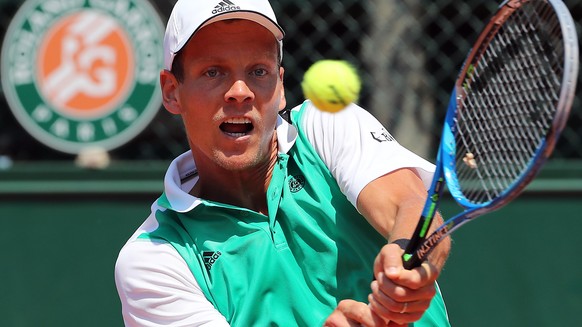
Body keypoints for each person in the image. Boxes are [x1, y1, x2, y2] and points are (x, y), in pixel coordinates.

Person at [115, 0, 452, 326]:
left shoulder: (327, 124)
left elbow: (409, 203)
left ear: (279, 87)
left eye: (258, 71)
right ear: (172, 91)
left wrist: (408, 259)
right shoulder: (154, 259)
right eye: (213, 72)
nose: (239, 91)